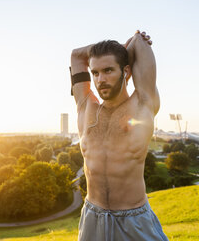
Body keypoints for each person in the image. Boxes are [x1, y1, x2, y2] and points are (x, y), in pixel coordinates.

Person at [70, 30, 169, 241]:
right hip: (92, 218)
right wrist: (116, 51)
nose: (100, 79)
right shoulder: (85, 107)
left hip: (134, 220)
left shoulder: (143, 104)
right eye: (95, 73)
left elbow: (140, 43)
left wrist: (128, 46)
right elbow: (76, 56)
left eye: (108, 70)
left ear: (126, 71)